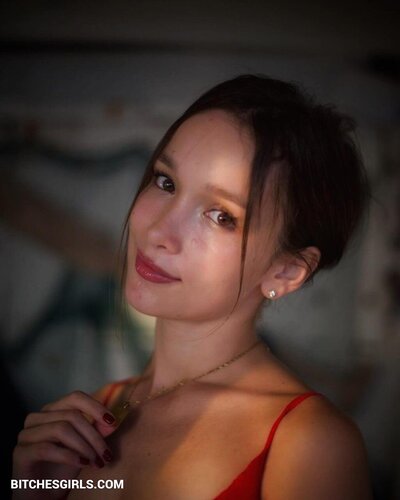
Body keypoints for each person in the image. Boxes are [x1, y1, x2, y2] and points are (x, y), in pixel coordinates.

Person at [11, 74, 374, 499]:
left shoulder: (309, 443)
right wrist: (33, 491)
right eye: (166, 182)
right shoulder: (95, 412)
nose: (159, 231)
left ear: (286, 272)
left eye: (221, 216)